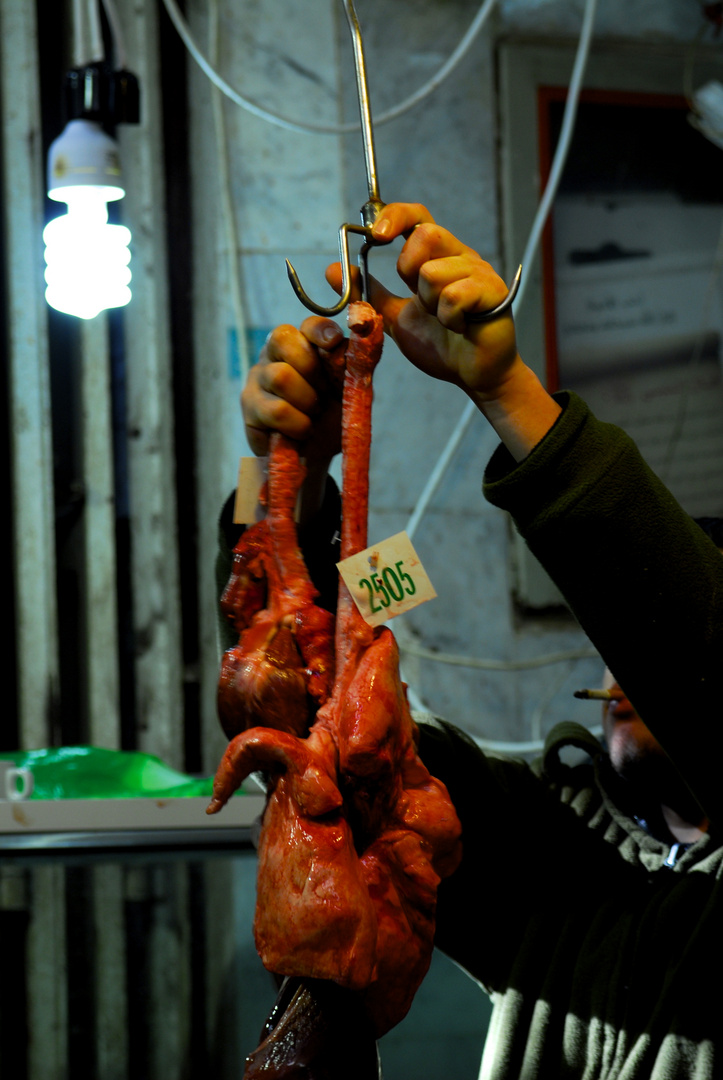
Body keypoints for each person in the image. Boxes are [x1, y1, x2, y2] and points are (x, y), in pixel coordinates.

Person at [219, 202, 723, 1078]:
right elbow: (310, 738)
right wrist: (278, 483)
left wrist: (509, 396)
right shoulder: (554, 860)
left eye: (647, 638)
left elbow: (697, 649)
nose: (625, 665)